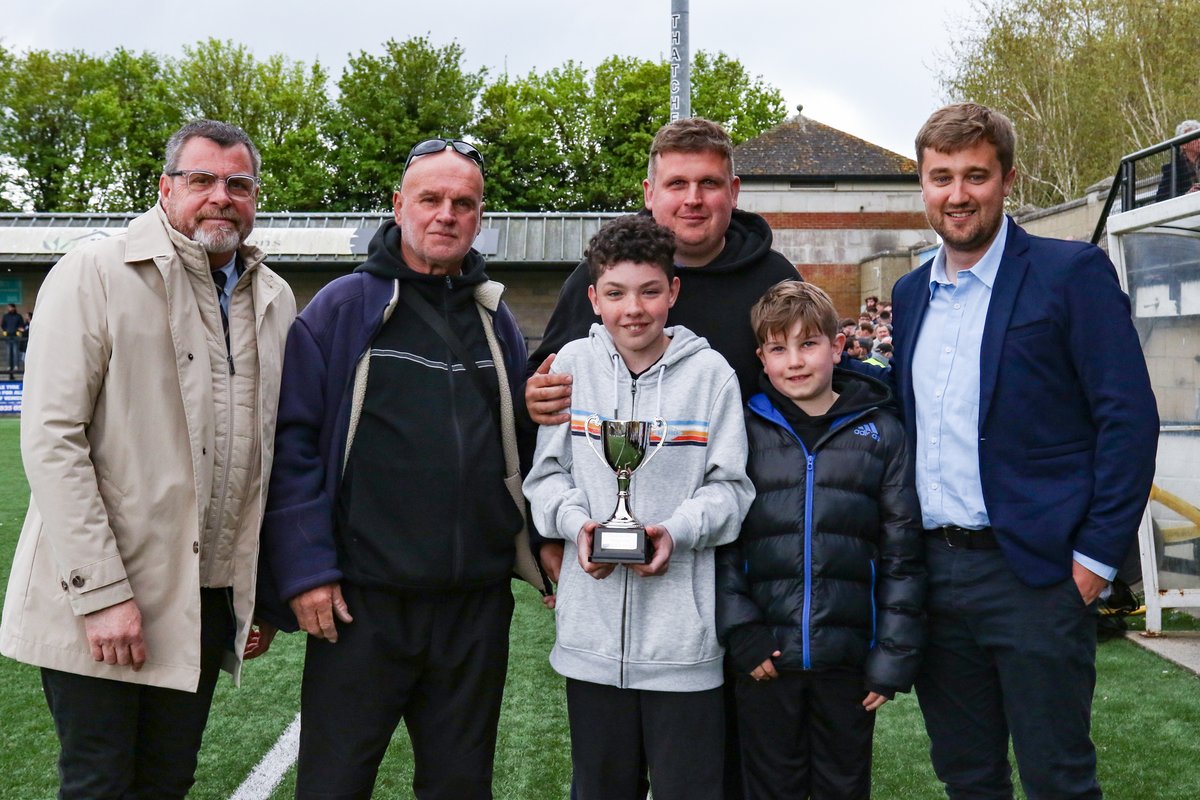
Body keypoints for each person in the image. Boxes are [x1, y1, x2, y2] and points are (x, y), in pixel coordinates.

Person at [0, 119, 295, 798]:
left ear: (255, 199)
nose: (221, 196)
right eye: (201, 180)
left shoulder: (274, 300)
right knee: (102, 782)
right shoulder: (95, 273)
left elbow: (266, 458)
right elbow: (52, 437)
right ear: (166, 189)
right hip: (104, 600)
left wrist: (253, 599)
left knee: (167, 780)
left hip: (202, 605)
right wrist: (102, 595)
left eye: (238, 183)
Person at [258, 137, 546, 800]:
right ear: (398, 206)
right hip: (362, 605)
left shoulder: (495, 318)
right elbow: (292, 444)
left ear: (479, 218)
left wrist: (541, 541)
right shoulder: (341, 307)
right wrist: (306, 570)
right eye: (431, 199)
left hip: (473, 609)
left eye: (463, 203)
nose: (446, 214)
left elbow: (517, 445)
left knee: (459, 786)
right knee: (333, 785)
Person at [891, 103, 1158, 799]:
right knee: (967, 778)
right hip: (937, 579)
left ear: (1008, 179)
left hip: (1038, 579)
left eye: (975, 175)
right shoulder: (910, 293)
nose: (957, 195)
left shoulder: (1071, 273)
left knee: (1058, 779)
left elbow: (1128, 421)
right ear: (922, 184)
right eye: (941, 177)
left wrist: (1094, 562)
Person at [523, 214, 755, 800]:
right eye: (617, 293)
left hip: (684, 646)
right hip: (592, 641)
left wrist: (676, 532)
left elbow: (733, 490)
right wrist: (578, 527)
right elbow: (545, 477)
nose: (635, 308)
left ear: (673, 292)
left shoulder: (711, 375)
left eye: (651, 291)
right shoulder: (570, 367)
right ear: (594, 298)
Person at [716, 280, 924, 800]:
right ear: (762, 358)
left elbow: (902, 554)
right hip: (767, 659)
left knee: (842, 786)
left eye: (808, 344)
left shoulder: (881, 431)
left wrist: (892, 655)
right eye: (778, 347)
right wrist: (742, 630)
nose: (795, 361)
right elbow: (722, 544)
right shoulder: (742, 429)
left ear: (837, 346)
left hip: (848, 662)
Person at [1155, 119, 1200, 202]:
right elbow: (1161, 199)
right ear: (1183, 144)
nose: (1199, 141)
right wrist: (1187, 195)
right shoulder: (1174, 170)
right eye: (1195, 137)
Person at [1, 303, 25, 377]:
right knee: (8, 353)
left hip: (15, 336)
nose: (9, 309)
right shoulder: (6, 316)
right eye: (9, 308)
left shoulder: (18, 316)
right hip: (8, 337)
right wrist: (5, 331)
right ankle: (9, 366)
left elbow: (22, 325)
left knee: (15, 352)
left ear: (14, 308)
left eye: (11, 308)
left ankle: (16, 366)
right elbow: (3, 325)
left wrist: (19, 330)